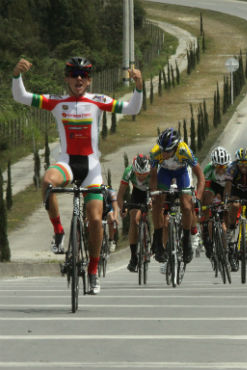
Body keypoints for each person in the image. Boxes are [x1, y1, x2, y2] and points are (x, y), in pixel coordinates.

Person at [12, 57, 143, 294]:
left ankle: (93, 271)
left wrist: (139, 86)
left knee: (94, 220)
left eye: (83, 74)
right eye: (74, 74)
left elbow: (133, 108)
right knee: (47, 182)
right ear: (67, 78)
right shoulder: (56, 101)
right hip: (67, 163)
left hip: (91, 167)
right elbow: (21, 96)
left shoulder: (98, 101)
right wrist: (16, 75)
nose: (79, 78)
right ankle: (59, 232)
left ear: (89, 80)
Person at [149, 128, 205, 264]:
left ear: (175, 148)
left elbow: (200, 177)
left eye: (167, 151)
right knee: (157, 204)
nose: (164, 153)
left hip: (182, 173)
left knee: (186, 206)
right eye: (162, 150)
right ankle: (157, 240)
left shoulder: (184, 150)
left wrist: (198, 198)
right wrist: (153, 193)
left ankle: (186, 242)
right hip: (165, 173)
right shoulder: (155, 152)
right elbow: (153, 176)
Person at [118, 154, 151, 272]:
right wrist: (123, 208)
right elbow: (120, 195)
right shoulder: (128, 171)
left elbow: (157, 189)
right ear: (134, 171)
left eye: (144, 174)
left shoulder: (153, 170)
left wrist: (152, 201)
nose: (141, 177)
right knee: (134, 219)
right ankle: (133, 258)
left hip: (150, 190)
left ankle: (151, 239)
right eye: (138, 174)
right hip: (137, 193)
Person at [201, 146, 231, 259]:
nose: (221, 169)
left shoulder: (231, 169)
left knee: (227, 206)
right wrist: (204, 206)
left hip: (226, 187)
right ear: (214, 164)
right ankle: (208, 226)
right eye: (218, 166)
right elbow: (204, 186)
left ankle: (227, 232)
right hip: (214, 186)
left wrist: (226, 201)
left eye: (223, 166)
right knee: (208, 196)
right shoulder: (208, 169)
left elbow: (232, 187)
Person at [104, 187, 119, 253]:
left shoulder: (111, 192)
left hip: (109, 209)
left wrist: (115, 218)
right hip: (99, 209)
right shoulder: (94, 191)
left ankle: (111, 240)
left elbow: (115, 208)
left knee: (111, 218)